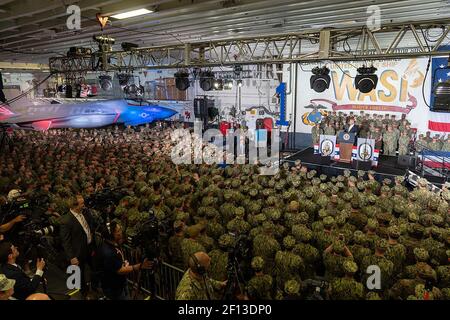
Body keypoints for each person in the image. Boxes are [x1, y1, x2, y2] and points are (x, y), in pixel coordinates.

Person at [98, 221, 153, 300]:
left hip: (121, 282)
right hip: (114, 288)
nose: (121, 232)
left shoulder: (112, 243)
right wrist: (139, 266)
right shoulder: (108, 253)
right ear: (111, 235)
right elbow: (119, 270)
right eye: (118, 231)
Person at [59, 194, 95, 295]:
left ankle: (95, 287)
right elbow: (66, 241)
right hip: (78, 253)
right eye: (82, 203)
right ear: (74, 206)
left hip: (89, 248)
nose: (84, 205)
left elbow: (90, 225)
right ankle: (84, 293)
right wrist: (72, 257)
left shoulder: (85, 212)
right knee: (80, 275)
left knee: (94, 268)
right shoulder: (66, 221)